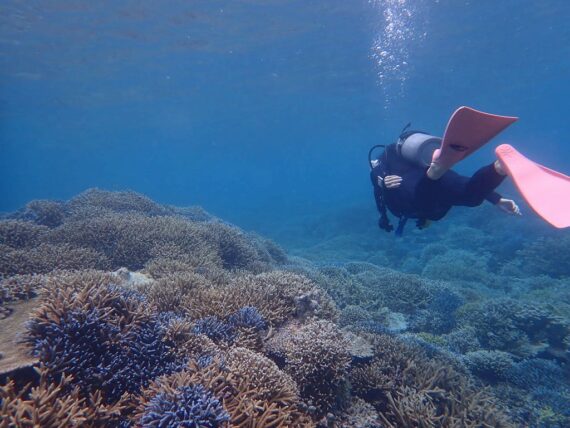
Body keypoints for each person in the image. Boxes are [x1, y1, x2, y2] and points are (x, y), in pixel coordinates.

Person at [370, 128, 521, 235]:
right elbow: (463, 182)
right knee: (471, 196)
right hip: (439, 173)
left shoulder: (389, 155)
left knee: (423, 203)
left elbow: (376, 174)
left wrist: (382, 185)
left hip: (424, 187)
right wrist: (495, 198)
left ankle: (432, 175)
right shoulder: (415, 159)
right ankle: (497, 168)